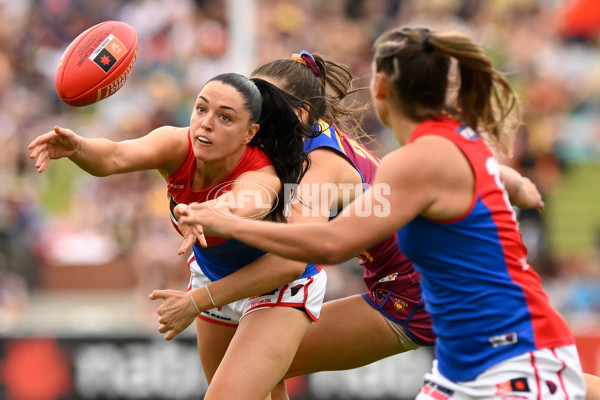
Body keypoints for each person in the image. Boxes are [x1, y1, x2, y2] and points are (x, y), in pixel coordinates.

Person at [179, 28, 593, 399]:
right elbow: (478, 173)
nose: (250, 104)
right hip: (462, 332)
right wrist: (515, 185)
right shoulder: (445, 145)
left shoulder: (334, 165)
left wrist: (224, 230)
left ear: (380, 89)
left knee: (254, 366)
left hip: (429, 305)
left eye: (263, 100)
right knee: (258, 365)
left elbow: (321, 246)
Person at [28, 72, 328, 400]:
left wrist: (204, 215)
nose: (206, 123)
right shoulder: (177, 144)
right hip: (214, 275)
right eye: (201, 109)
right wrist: (78, 147)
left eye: (225, 117)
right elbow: (115, 156)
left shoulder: (261, 174)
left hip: (278, 283)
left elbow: (242, 205)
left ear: (250, 133)